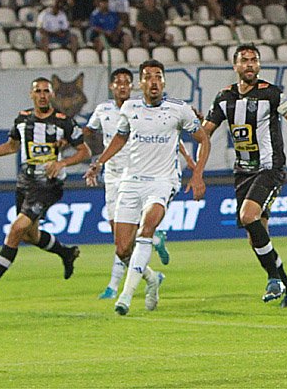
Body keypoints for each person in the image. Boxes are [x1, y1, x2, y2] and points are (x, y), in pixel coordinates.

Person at [200, 44, 287, 309]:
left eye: (254, 60)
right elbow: (204, 133)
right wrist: (196, 161)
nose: (250, 65)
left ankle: (272, 279)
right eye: (244, 60)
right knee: (256, 235)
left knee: (247, 217)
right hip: (242, 172)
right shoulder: (224, 99)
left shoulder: (271, 94)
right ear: (235, 66)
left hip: (270, 168)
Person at [83, 60, 211, 315]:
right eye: (148, 77)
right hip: (131, 182)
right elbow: (121, 136)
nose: (153, 81)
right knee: (122, 249)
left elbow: (204, 139)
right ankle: (152, 280)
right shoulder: (130, 108)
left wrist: (197, 174)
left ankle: (126, 296)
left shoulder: (179, 109)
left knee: (147, 229)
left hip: (162, 181)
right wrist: (100, 162)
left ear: (163, 82)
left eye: (158, 76)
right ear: (140, 84)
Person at [0, 78, 90, 301]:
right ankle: (66, 253)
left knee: (16, 229)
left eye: (45, 91)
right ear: (31, 95)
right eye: (37, 91)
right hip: (25, 182)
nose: (42, 95)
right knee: (31, 235)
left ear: (52, 95)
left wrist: (61, 163)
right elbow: (11, 146)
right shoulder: (22, 119)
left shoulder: (64, 123)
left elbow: (84, 151)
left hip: (48, 185)